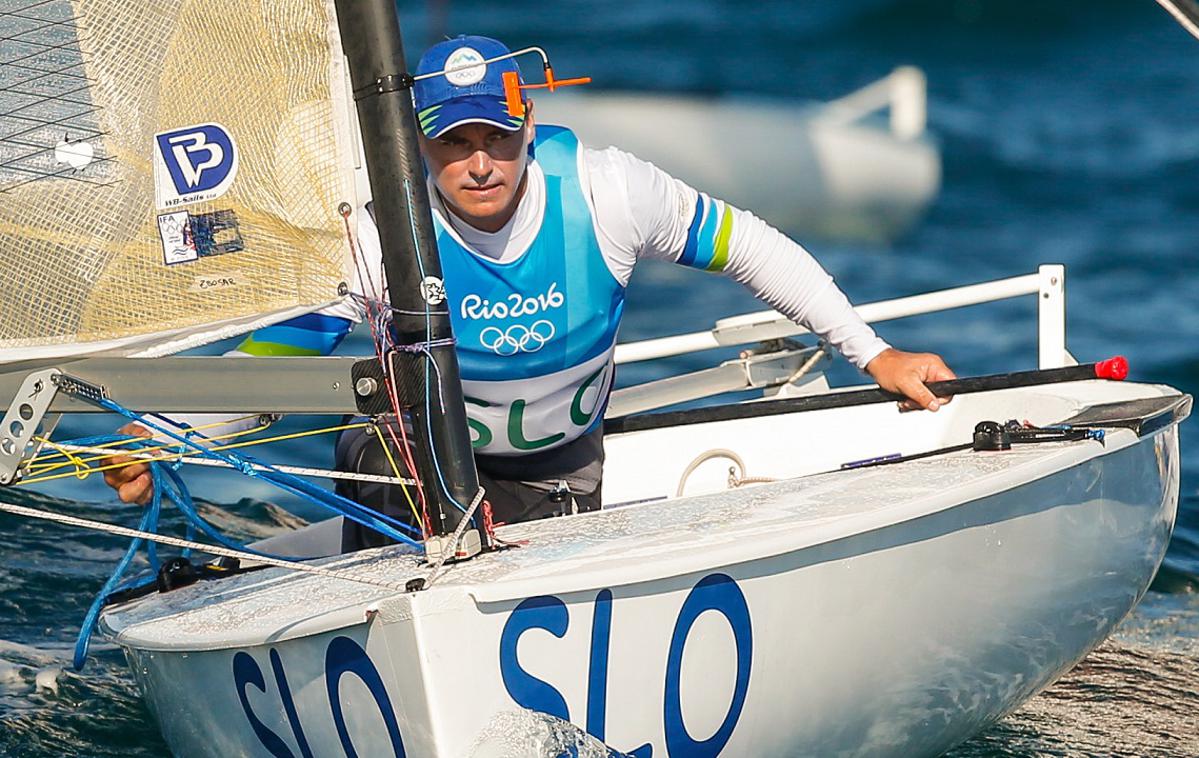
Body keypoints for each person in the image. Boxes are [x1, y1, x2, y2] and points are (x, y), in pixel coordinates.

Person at [105, 35, 955, 551]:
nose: (479, 164)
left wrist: (872, 353)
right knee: (396, 470)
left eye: (496, 139)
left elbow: (754, 249)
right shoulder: (378, 231)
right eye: (452, 143)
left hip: (554, 478)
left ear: (525, 130)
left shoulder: (608, 190)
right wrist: (158, 436)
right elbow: (277, 354)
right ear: (420, 149)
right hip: (413, 472)